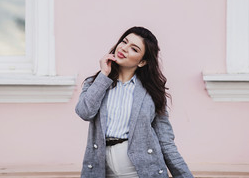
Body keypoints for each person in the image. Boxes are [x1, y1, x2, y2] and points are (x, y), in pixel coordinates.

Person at [75, 26, 194, 178]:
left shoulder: (152, 93)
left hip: (141, 171)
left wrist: (184, 175)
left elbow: (165, 141)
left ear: (142, 61)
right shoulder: (96, 83)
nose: (124, 48)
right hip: (102, 170)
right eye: (124, 42)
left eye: (134, 49)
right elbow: (84, 112)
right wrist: (104, 75)